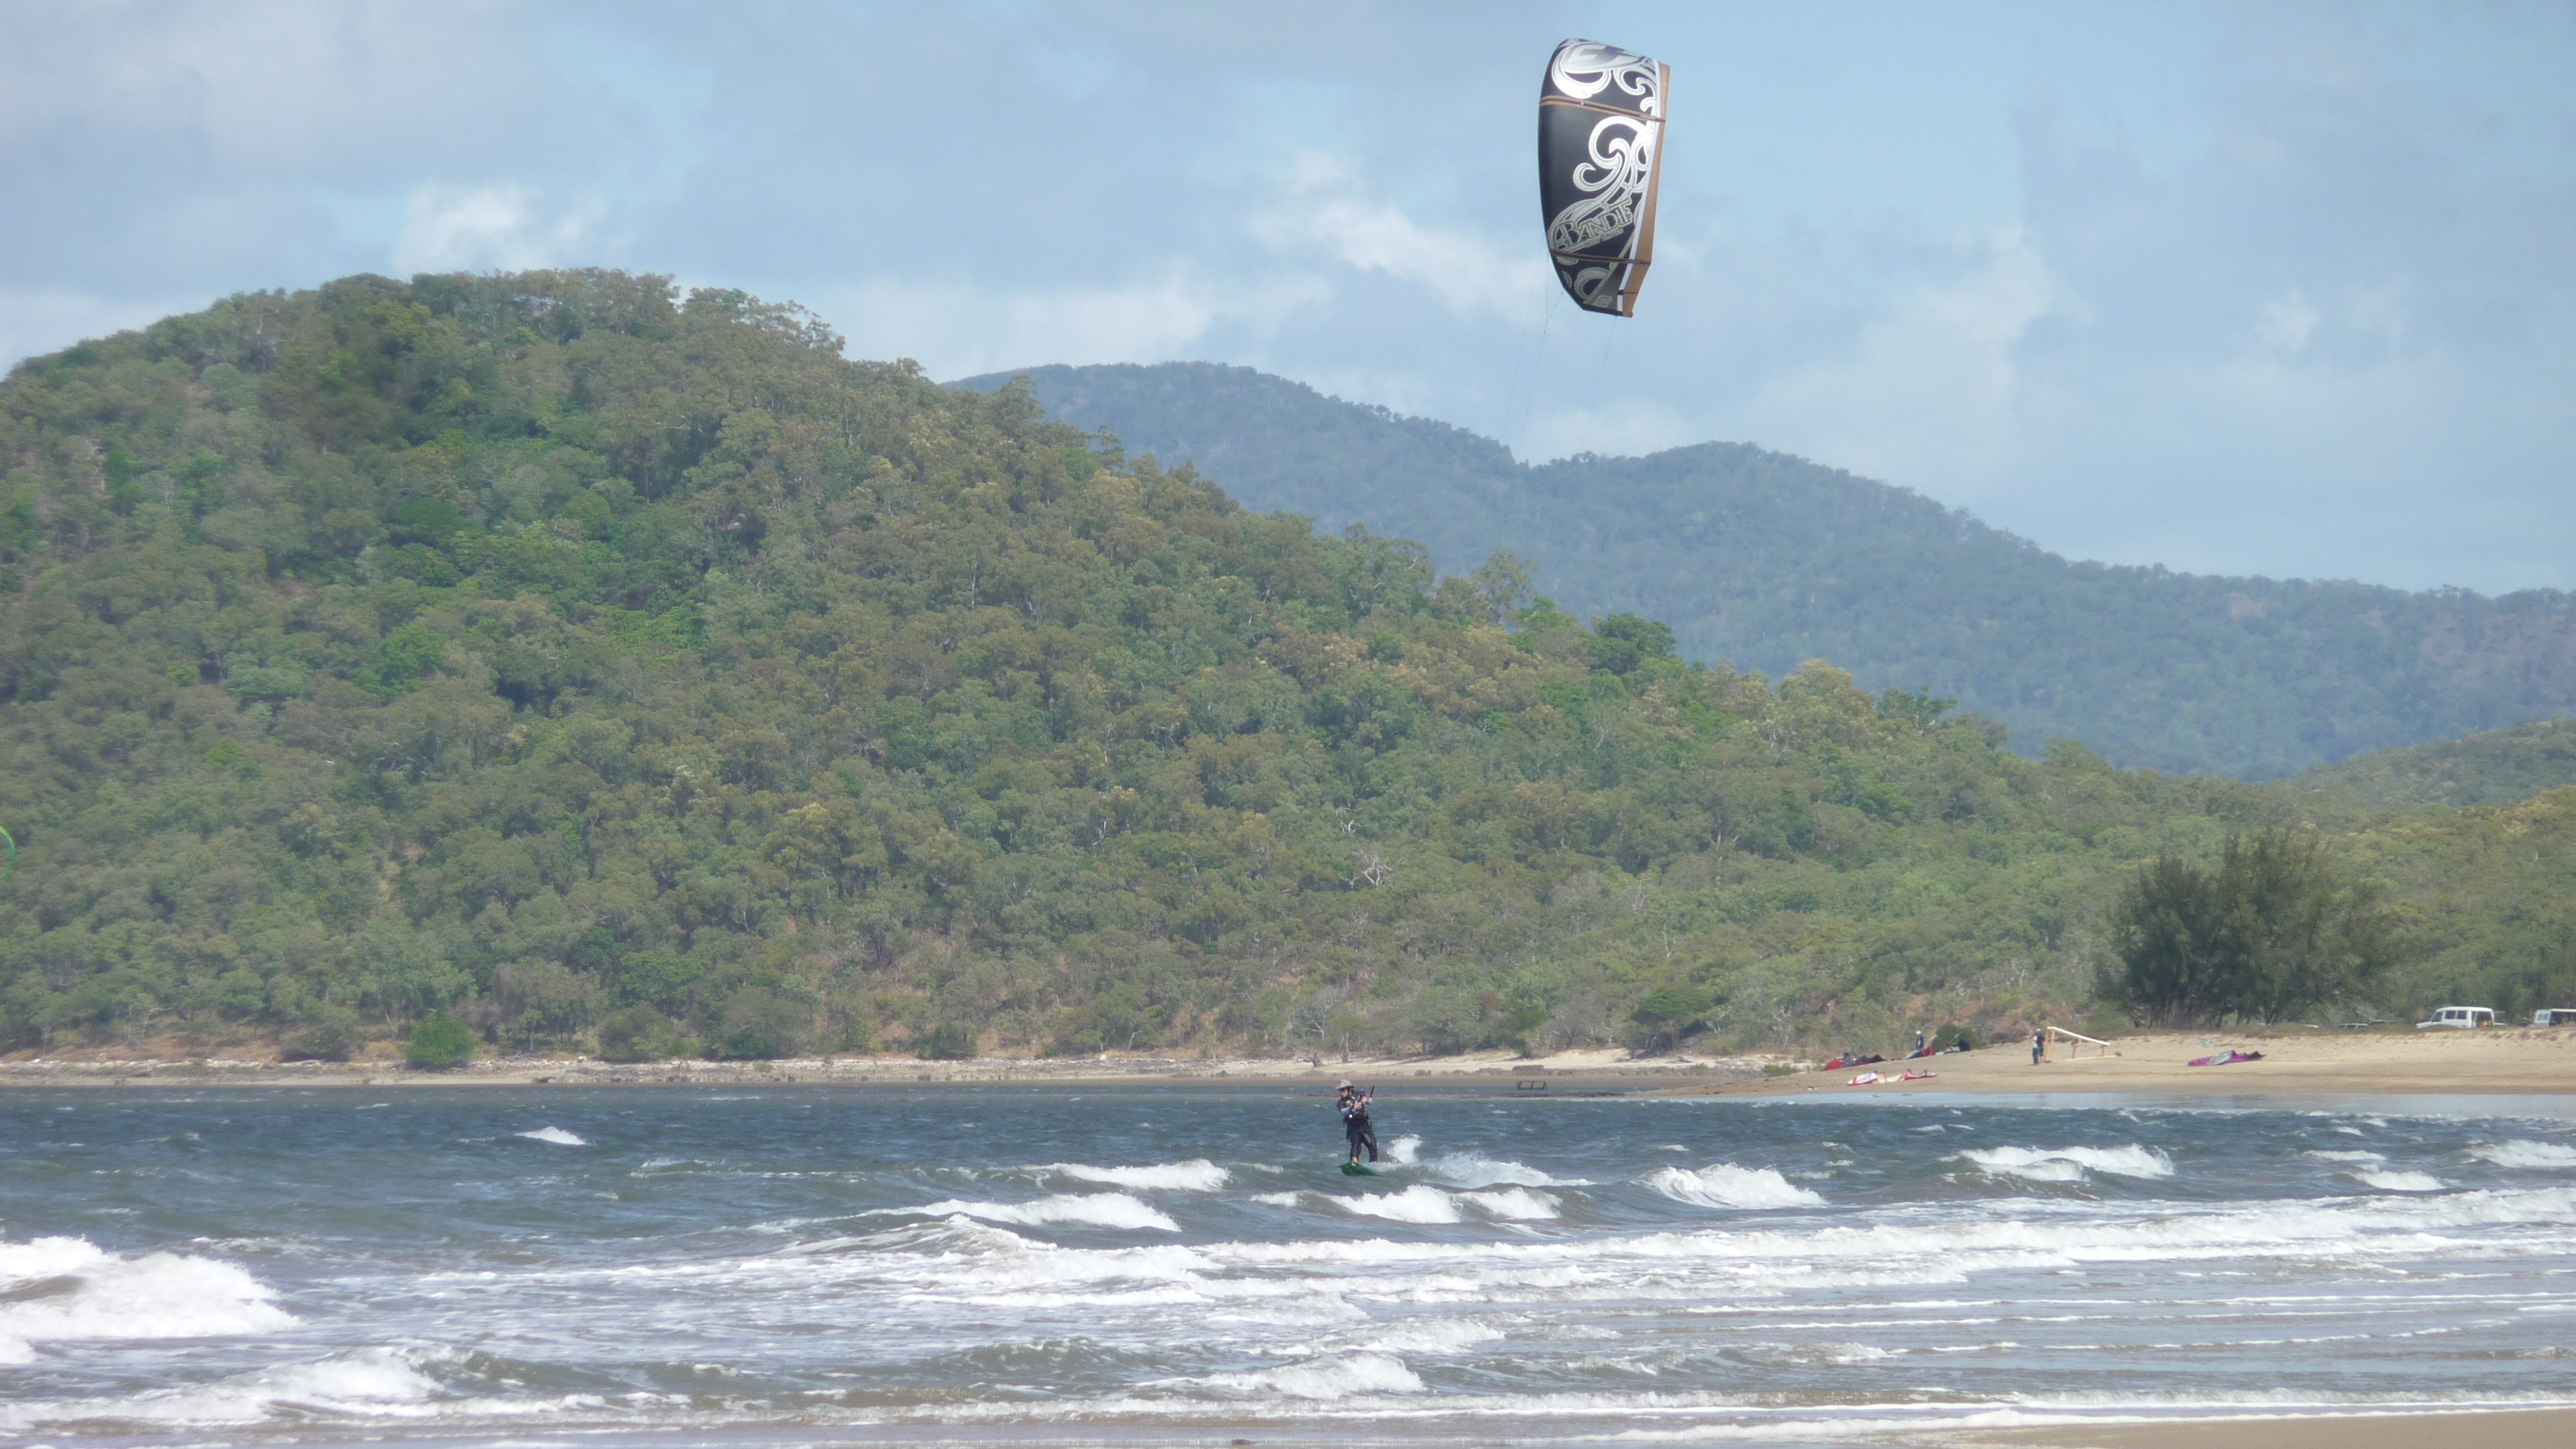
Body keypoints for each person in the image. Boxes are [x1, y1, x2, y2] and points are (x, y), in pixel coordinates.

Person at [1337, 1081, 1379, 1164]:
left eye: (1343, 1090)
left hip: (1364, 1124)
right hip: (1353, 1127)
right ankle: (1354, 1163)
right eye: (1340, 1091)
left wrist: (1366, 1100)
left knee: (1373, 1145)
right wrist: (1353, 1108)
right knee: (1356, 1147)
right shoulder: (1341, 1102)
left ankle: (1374, 1164)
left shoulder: (1359, 1094)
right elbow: (1343, 1112)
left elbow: (1371, 1102)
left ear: (1349, 1089)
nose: (1341, 1092)